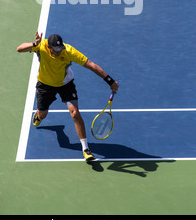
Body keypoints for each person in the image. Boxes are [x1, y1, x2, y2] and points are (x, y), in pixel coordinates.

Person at [17, 31, 119, 161]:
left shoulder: (68, 51)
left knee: (75, 113)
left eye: (60, 48)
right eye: (56, 49)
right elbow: (19, 49)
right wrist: (33, 44)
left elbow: (91, 65)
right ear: (49, 47)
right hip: (45, 85)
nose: (59, 51)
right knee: (43, 114)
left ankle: (86, 149)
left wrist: (110, 81)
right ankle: (41, 117)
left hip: (65, 84)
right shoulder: (41, 46)